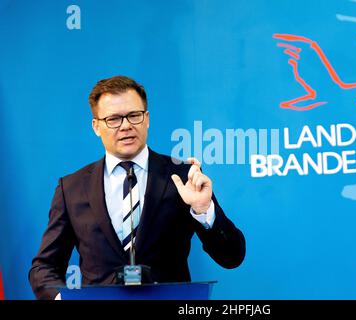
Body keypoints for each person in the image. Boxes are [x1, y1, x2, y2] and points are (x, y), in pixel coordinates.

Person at [29, 75, 246, 300]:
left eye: (134, 115)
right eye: (113, 119)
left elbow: (232, 256)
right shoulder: (72, 188)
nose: (125, 126)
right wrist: (59, 298)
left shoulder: (183, 176)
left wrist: (204, 210)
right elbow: (44, 267)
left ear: (147, 119)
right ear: (96, 126)